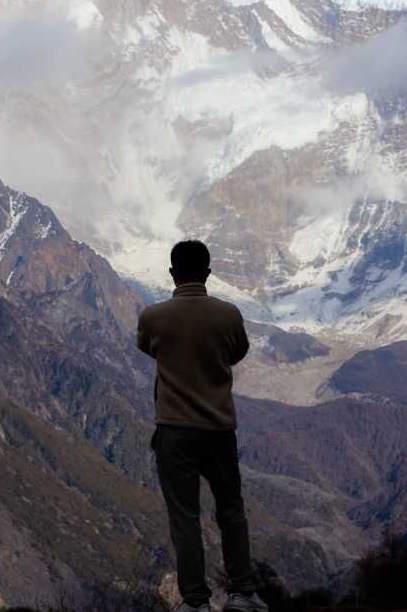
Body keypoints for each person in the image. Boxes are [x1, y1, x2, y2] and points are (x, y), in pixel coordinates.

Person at [136, 240, 266, 612]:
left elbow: (147, 347)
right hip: (219, 428)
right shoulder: (229, 315)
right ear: (208, 273)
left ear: (172, 273)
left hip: (174, 430)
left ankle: (195, 601)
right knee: (231, 510)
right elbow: (237, 352)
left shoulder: (153, 317)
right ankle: (243, 594)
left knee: (185, 517)